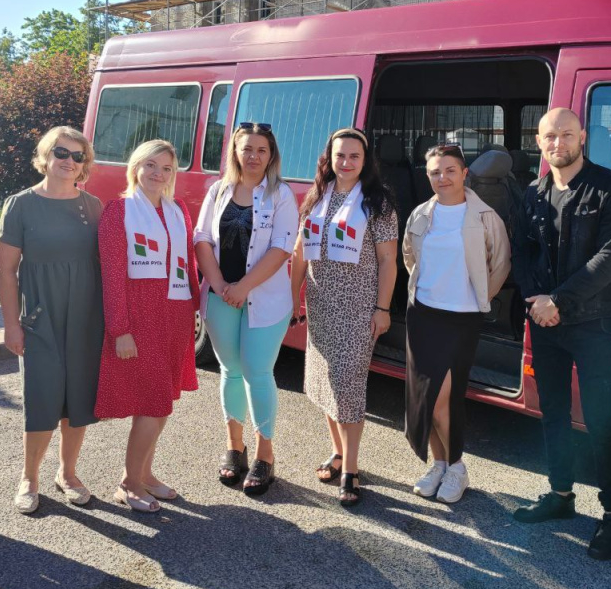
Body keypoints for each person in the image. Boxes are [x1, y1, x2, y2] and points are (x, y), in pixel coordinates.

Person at [511, 106, 611, 561]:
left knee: (602, 420)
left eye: (566, 134)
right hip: (544, 323)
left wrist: (557, 302)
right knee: (553, 412)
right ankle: (561, 495)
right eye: (549, 136)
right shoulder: (532, 193)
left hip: (594, 323)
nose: (557, 144)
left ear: (582, 136)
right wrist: (535, 301)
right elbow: (521, 253)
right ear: (539, 140)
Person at [0, 126, 104, 514]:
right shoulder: (20, 204)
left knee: (78, 397)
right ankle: (29, 477)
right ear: (45, 155)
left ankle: (68, 473)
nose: (68, 161)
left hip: (86, 317)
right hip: (40, 316)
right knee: (41, 397)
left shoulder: (93, 207)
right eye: (61, 152)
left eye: (77, 156)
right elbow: (6, 272)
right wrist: (11, 324)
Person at [291, 128, 398, 506]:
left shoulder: (378, 203)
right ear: (329, 158)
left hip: (358, 309)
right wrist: (294, 297)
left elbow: (388, 260)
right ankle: (337, 452)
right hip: (321, 306)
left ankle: (351, 470)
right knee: (324, 385)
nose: (346, 163)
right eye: (340, 156)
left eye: (354, 156)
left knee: (348, 387)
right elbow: (300, 252)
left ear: (365, 160)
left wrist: (383, 309)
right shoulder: (316, 196)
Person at [194, 123, 298, 496]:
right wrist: (221, 286)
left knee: (257, 371)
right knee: (230, 371)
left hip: (265, 300)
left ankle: (265, 455)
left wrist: (243, 287)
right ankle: (235, 447)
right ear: (235, 152)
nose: (253, 156)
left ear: (271, 156)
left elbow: (282, 248)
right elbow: (202, 239)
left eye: (261, 150)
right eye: (246, 148)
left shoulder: (281, 194)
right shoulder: (218, 190)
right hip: (221, 296)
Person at [402, 144, 511, 503]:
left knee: (442, 399)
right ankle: (440, 464)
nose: (442, 177)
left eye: (450, 170)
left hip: (461, 318)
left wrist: (479, 298)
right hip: (423, 314)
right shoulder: (421, 214)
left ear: (465, 173)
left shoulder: (484, 216)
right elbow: (409, 256)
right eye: (435, 171)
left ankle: (458, 466)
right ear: (427, 175)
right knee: (426, 396)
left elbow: (501, 264)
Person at [96, 140, 200, 512]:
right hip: (139, 322)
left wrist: (196, 309)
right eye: (151, 165)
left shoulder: (178, 211)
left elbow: (188, 263)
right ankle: (129, 482)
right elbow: (112, 275)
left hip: (173, 319)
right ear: (136, 167)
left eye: (167, 168)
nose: (158, 174)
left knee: (161, 404)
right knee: (153, 404)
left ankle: (146, 473)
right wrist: (119, 329)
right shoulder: (118, 211)